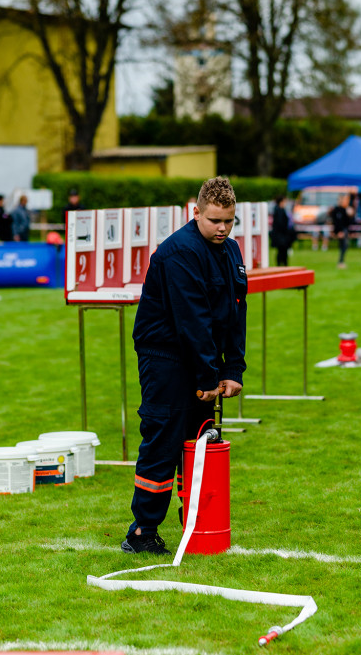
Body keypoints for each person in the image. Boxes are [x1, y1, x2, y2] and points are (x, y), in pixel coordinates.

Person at [124, 176, 247, 555]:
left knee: (199, 442)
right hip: (165, 356)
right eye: (214, 220)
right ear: (196, 213)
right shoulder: (179, 253)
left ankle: (195, 522)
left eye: (229, 220)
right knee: (163, 440)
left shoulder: (231, 251)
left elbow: (234, 313)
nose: (222, 228)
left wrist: (232, 370)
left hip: (199, 355)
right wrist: (209, 375)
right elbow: (191, 320)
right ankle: (142, 532)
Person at [329, 192, 355, 269]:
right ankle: (340, 262)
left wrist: (350, 215)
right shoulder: (337, 210)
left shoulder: (345, 210)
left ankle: (341, 261)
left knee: (345, 246)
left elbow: (348, 222)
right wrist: (338, 231)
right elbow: (336, 222)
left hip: (345, 230)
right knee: (343, 246)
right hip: (341, 231)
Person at [270, 195, 294, 267]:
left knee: (282, 251)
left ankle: (282, 264)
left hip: (280, 235)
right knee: (282, 251)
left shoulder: (278, 210)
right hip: (281, 235)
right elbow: (280, 224)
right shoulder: (279, 210)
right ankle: (282, 264)